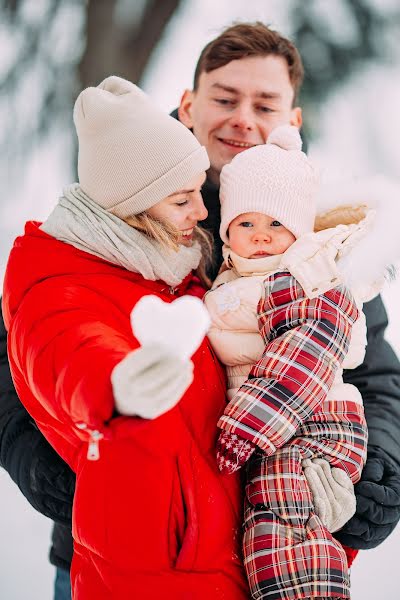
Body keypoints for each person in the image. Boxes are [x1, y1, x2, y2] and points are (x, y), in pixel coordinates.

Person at [1, 20, 400, 597]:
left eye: (265, 103)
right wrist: (39, 462)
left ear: (293, 120)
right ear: (188, 104)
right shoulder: (119, 207)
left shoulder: (317, 236)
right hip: (114, 551)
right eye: (224, 97)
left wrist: (377, 475)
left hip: (269, 546)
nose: (243, 117)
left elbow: (375, 374)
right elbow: (30, 343)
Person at [2, 76, 249, 599]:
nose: (201, 212)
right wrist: (118, 385)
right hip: (147, 577)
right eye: (183, 200)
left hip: (213, 562)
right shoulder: (59, 284)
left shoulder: (166, 266)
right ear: (130, 209)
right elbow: (68, 347)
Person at [204, 124, 376, 599]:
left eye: (276, 224)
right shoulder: (238, 277)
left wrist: (245, 427)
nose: (260, 236)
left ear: (298, 230)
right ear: (227, 231)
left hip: (307, 426)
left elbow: (306, 353)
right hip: (279, 425)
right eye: (246, 224)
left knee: (284, 534)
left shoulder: (300, 277)